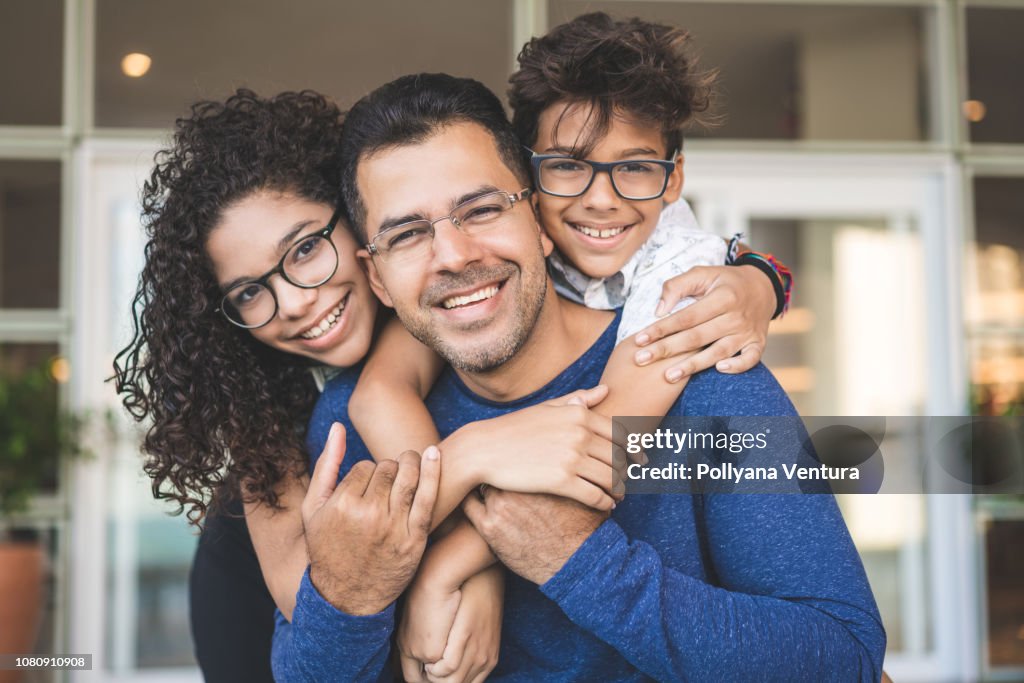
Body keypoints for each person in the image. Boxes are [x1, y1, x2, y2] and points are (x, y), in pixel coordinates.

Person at [112, 88, 781, 681]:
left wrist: (759, 278)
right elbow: (318, 600)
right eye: (251, 291)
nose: (294, 300)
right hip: (248, 610)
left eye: (306, 249)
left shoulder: (444, 318)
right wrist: (474, 469)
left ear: (354, 225)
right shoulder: (283, 428)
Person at [272, 72, 886, 682]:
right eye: (406, 235)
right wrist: (353, 590)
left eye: (482, 209)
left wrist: (582, 561)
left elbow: (845, 657)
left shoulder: (705, 371)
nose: (454, 256)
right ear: (377, 277)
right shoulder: (347, 428)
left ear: (538, 220)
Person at [348, 13, 793, 670]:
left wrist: (450, 567)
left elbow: (602, 443)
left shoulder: (677, 270)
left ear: (673, 179)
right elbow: (379, 390)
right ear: (529, 178)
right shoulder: (492, 254)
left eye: (636, 168)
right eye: (566, 167)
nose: (601, 200)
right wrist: (472, 455)